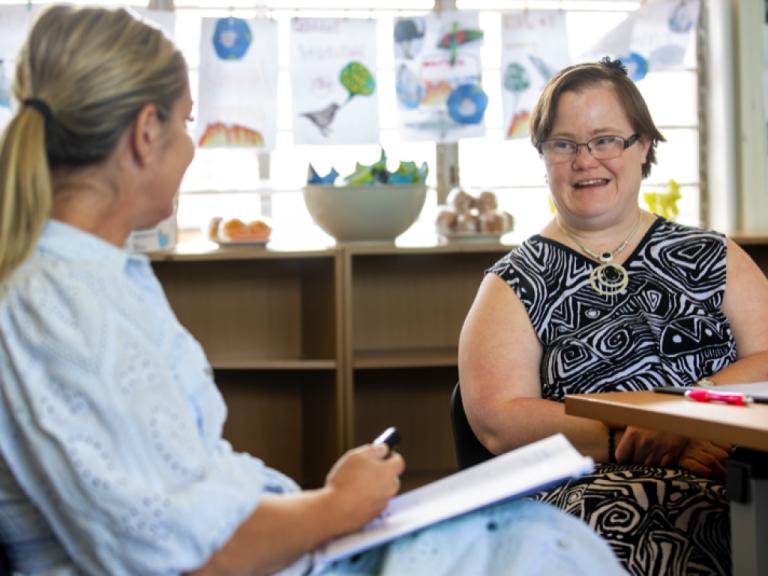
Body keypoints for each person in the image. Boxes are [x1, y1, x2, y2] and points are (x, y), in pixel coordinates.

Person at [0, 6, 633, 575]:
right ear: (145, 133)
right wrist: (337, 506)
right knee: (543, 552)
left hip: (279, 535)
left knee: (539, 537)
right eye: (188, 122)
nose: (193, 145)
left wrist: (328, 503)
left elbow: (176, 499)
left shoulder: (96, 279)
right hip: (258, 555)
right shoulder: (55, 305)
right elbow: (190, 553)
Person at [459, 57, 768, 576]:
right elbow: (497, 420)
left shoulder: (713, 254)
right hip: (594, 490)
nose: (585, 160)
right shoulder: (513, 281)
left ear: (643, 146)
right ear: (544, 155)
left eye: (605, 139)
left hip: (739, 467)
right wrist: (630, 436)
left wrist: (688, 412)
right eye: (564, 144)